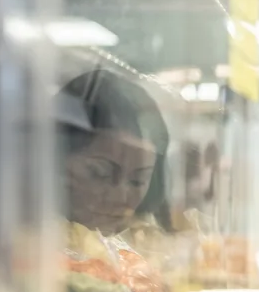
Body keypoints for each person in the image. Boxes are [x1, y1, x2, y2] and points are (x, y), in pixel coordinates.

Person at [56, 68, 172, 235]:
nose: (119, 197)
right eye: (99, 173)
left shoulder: (153, 249)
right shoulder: (18, 245)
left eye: (137, 181)